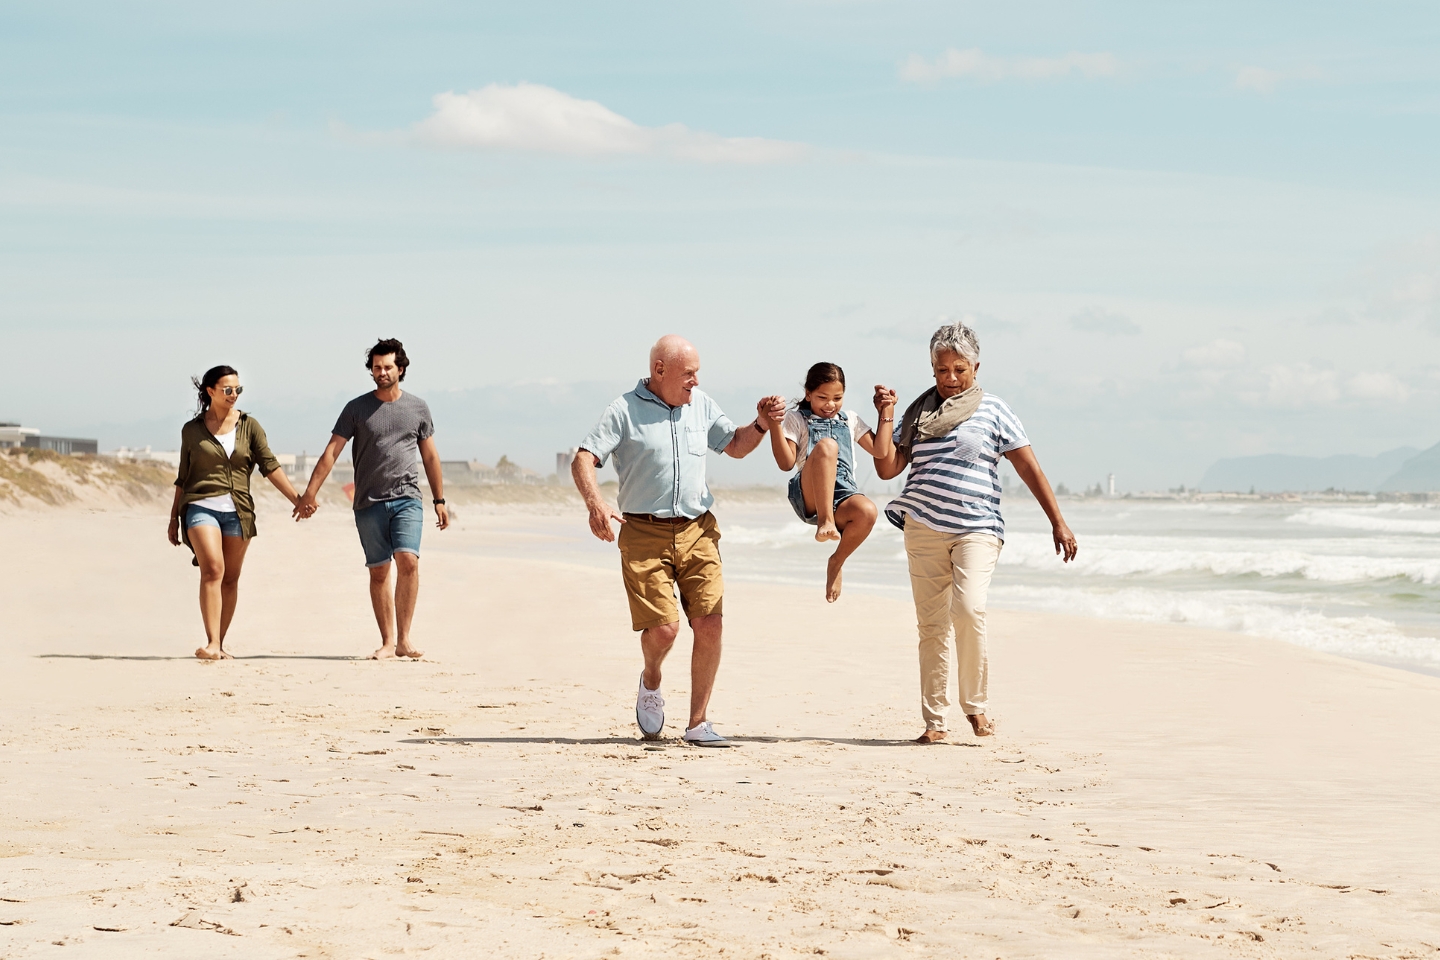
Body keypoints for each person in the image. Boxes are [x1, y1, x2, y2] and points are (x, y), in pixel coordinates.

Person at [572, 335, 785, 747]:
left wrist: (760, 424)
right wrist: (595, 503)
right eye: (689, 373)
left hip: (698, 529)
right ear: (660, 371)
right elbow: (584, 457)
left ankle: (698, 723)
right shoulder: (623, 410)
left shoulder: (701, 404)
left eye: (697, 373)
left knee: (710, 623)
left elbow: (736, 445)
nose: (695, 380)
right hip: (643, 533)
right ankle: (651, 679)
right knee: (665, 630)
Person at [873, 322, 1078, 743]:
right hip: (923, 526)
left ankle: (976, 706)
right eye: (942, 370)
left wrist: (1057, 521)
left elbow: (1027, 467)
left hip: (977, 528)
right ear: (932, 369)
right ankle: (935, 722)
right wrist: (885, 413)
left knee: (969, 610)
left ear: (976, 367)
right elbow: (887, 467)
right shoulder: (918, 413)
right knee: (931, 626)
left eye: (959, 370)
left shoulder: (995, 410)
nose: (950, 379)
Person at [295, 338, 449, 660]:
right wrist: (310, 493)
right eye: (376, 367)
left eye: (387, 367)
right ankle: (388, 642)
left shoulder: (418, 408)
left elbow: (431, 457)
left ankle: (405, 640)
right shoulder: (356, 408)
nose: (381, 372)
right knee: (379, 571)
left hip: (407, 497)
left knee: (408, 560)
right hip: (368, 502)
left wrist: (439, 499)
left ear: (400, 369)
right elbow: (331, 452)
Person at [168, 365, 303, 660]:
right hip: (200, 506)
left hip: (239, 511)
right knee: (213, 569)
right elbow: (183, 475)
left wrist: (297, 498)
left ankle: (220, 643)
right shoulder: (192, 430)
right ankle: (212, 643)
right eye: (227, 389)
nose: (234, 395)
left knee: (230, 578)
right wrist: (173, 518)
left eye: (238, 390)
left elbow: (269, 465)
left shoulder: (249, 426)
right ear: (210, 391)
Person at [764, 362, 896, 602]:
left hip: (844, 492)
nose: (830, 404)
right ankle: (825, 521)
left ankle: (836, 561)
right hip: (809, 494)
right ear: (808, 394)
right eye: (822, 397)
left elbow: (880, 450)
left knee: (868, 511)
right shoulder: (797, 419)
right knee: (827, 446)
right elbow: (786, 463)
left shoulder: (851, 419)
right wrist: (774, 424)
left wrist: (886, 411)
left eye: (837, 397)